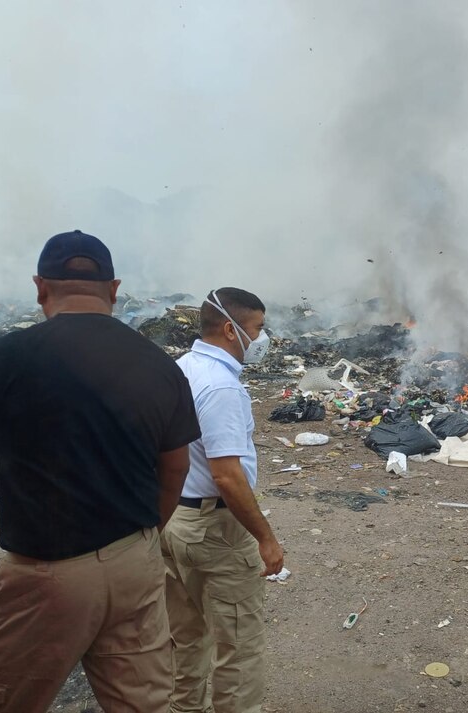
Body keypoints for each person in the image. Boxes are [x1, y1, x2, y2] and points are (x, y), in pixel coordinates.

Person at [0, 230, 201, 712]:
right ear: (114, 290)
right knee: (144, 703)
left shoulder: (3, 357)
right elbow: (176, 467)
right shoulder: (161, 365)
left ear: (40, 287)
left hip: (47, 575)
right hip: (135, 562)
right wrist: (142, 539)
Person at [161, 287, 285, 713]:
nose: (262, 339)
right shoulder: (221, 388)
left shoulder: (181, 368)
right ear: (232, 330)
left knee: (186, 634)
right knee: (239, 645)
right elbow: (227, 477)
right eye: (258, 329)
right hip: (216, 530)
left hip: (175, 520)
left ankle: (184, 707)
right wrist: (265, 538)